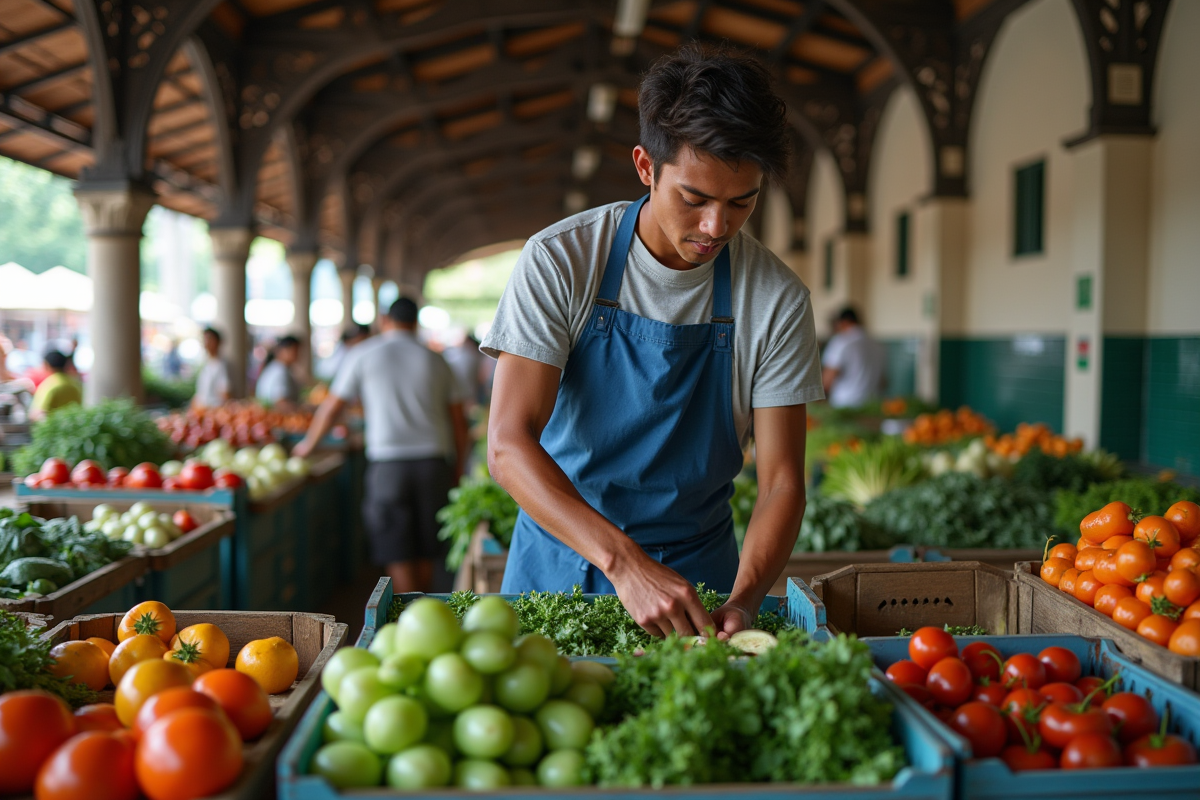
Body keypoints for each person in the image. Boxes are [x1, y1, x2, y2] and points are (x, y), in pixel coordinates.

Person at [481, 45, 824, 640]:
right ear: (646, 167)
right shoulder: (563, 260)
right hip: (558, 566)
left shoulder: (774, 298)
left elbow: (782, 482)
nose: (716, 227)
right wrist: (624, 564)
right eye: (694, 198)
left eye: (741, 202)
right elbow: (508, 445)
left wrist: (744, 602)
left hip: (701, 588)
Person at [294, 298, 469, 593]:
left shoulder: (364, 354)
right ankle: (425, 604)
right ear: (415, 322)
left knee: (395, 546)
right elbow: (459, 423)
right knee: (427, 543)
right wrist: (459, 467)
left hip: (388, 466)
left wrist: (308, 446)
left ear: (385, 320)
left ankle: (406, 612)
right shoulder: (436, 359)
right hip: (433, 463)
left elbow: (331, 407)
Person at [821, 306, 886, 409]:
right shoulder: (877, 344)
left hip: (845, 405)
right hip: (872, 404)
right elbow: (883, 381)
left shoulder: (841, 342)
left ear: (843, 322)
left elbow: (828, 380)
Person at [28, 350, 82, 420]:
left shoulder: (49, 385)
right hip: (72, 427)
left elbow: (38, 413)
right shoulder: (74, 384)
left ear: (46, 365)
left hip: (53, 429)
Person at [255, 335, 302, 407]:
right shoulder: (281, 371)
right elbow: (281, 404)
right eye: (295, 350)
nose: (298, 354)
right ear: (284, 350)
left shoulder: (274, 367)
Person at [193, 327, 232, 409]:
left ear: (217, 342)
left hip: (213, 411)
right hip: (203, 411)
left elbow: (226, 394)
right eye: (205, 339)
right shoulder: (207, 364)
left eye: (209, 339)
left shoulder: (221, 365)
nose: (206, 342)